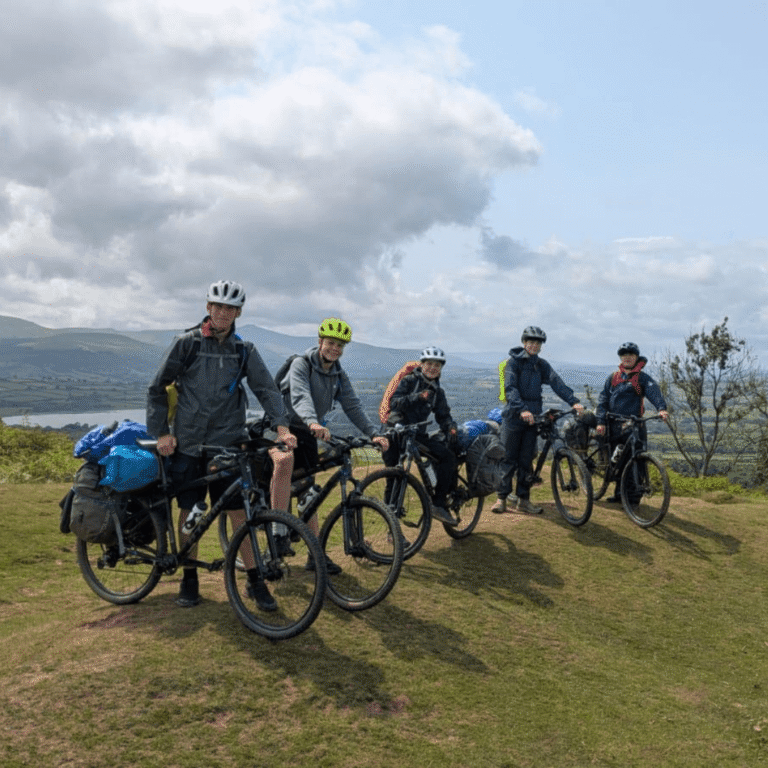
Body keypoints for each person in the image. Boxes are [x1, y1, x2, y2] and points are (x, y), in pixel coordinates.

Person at [146, 280, 297, 611]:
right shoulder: (187, 344)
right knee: (189, 512)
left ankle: (255, 581)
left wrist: (282, 427)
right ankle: (189, 578)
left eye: (231, 308)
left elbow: (266, 389)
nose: (223, 313)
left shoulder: (244, 350)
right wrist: (161, 433)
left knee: (239, 513)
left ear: (238, 313)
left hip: (227, 445)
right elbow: (157, 387)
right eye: (218, 306)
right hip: (188, 443)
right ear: (208, 307)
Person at [276, 317, 389, 573]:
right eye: (330, 343)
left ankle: (315, 555)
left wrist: (373, 433)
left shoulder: (338, 374)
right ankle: (278, 533)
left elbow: (352, 405)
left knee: (309, 492)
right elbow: (301, 395)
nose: (335, 349)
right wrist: (312, 421)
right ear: (320, 342)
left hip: (308, 433)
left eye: (340, 345)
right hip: (285, 429)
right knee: (285, 477)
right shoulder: (301, 364)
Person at [492, 326, 584, 515]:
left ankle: (523, 500)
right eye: (531, 342)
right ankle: (501, 499)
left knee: (526, 460)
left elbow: (556, 382)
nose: (534, 345)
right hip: (514, 416)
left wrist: (573, 401)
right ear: (524, 343)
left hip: (533, 417)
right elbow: (511, 389)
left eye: (538, 343)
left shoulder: (541, 365)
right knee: (508, 458)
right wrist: (522, 409)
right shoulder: (513, 363)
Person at [384, 346, 460, 526]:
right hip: (397, 433)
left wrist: (451, 428)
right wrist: (418, 397)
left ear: (441, 368)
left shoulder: (437, 392)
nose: (433, 368)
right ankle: (390, 524)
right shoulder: (409, 381)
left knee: (448, 458)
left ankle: (438, 504)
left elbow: (444, 416)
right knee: (394, 477)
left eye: (437, 365)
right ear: (422, 364)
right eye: (429, 364)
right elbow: (394, 403)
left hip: (417, 435)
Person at [595, 342, 668, 502]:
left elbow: (653, 392)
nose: (627, 357)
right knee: (617, 460)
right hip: (614, 424)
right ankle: (619, 494)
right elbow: (603, 400)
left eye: (631, 355)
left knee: (636, 459)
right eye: (624, 355)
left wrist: (661, 408)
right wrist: (600, 421)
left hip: (635, 425)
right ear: (621, 358)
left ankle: (633, 498)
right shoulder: (613, 377)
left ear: (636, 357)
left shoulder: (641, 378)